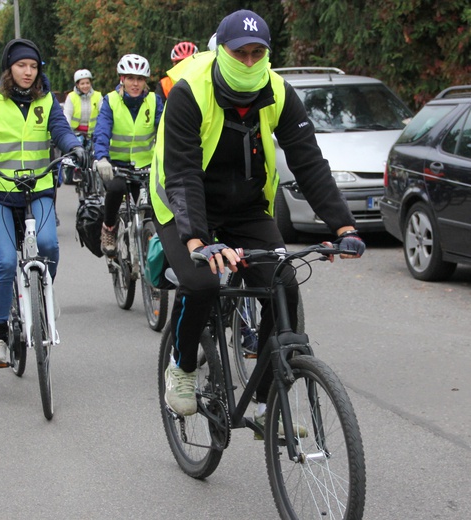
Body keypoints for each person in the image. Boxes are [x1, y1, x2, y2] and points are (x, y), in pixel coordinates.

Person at [150, 10, 366, 423]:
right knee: (201, 282)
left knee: (283, 283)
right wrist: (196, 238)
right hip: (181, 203)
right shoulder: (190, 91)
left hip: (246, 206)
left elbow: (308, 161)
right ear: (223, 53)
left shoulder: (279, 91)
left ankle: (269, 399)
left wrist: (343, 225)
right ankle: (182, 367)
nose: (249, 62)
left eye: (257, 53)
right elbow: (182, 172)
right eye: (240, 53)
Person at [0, 38, 86, 366]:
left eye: (33, 66)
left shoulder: (47, 100)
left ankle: (41, 295)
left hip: (38, 188)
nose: (28, 72)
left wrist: (74, 146)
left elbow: (60, 130)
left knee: (49, 246)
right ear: (9, 69)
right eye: (21, 66)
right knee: (3, 262)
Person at [92, 53, 164, 256]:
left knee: (150, 207)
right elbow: (102, 131)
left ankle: (150, 247)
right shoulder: (111, 101)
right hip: (117, 166)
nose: (135, 83)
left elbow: (165, 130)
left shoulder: (154, 101)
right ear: (122, 79)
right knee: (116, 188)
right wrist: (102, 158)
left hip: (145, 166)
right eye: (131, 78)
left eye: (140, 79)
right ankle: (109, 228)